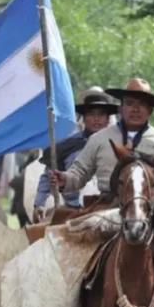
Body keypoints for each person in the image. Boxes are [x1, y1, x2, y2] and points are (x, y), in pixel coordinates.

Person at [49, 77, 154, 204]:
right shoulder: (99, 139)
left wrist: (151, 189)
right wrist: (65, 179)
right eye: (129, 103)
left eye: (142, 104)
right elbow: (80, 172)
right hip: (106, 207)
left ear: (150, 110)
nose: (135, 109)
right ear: (121, 108)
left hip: (151, 207)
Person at [33, 90, 118, 222]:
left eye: (101, 114)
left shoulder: (119, 146)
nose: (96, 119)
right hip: (73, 212)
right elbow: (49, 176)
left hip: (109, 211)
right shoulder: (67, 146)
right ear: (83, 118)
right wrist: (40, 203)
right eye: (91, 114)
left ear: (108, 119)